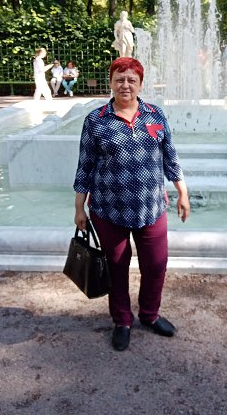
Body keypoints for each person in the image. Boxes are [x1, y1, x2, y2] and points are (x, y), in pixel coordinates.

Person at [73, 57, 190, 352]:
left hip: (151, 207)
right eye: (119, 79)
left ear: (140, 83)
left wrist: (182, 192)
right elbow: (85, 166)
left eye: (131, 80)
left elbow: (170, 156)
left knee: (156, 265)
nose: (125, 85)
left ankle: (150, 314)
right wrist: (79, 208)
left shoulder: (155, 115)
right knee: (116, 267)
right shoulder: (96, 120)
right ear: (111, 82)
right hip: (108, 209)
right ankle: (122, 320)